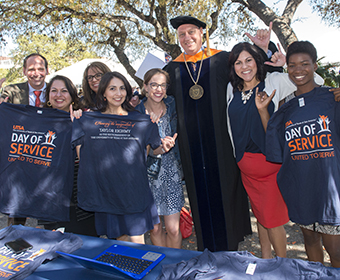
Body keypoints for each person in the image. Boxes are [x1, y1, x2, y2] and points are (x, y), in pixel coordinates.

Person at [164, 15, 280, 251]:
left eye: (191, 32)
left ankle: (232, 246)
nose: (187, 38)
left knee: (227, 193)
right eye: (181, 34)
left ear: (201, 33)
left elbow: (255, 71)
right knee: (199, 196)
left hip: (223, 145)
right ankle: (207, 248)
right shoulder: (172, 69)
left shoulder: (221, 60)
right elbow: (157, 98)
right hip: (191, 147)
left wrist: (267, 48)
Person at [72, 72, 177, 244]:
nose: (118, 93)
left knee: (137, 243)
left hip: (134, 192)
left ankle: (141, 271)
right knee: (119, 241)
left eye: (122, 88)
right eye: (112, 88)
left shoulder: (140, 120)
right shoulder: (88, 120)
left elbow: (149, 151)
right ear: (103, 93)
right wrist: (79, 119)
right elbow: (82, 156)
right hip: (106, 191)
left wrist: (163, 147)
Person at [266, 41, 340, 267]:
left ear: (315, 66)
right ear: (286, 68)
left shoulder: (333, 98)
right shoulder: (286, 107)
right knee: (310, 239)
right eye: (292, 65)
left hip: (330, 190)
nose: (298, 70)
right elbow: (274, 144)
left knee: (335, 250)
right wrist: (262, 111)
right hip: (302, 188)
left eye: (304, 64)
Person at [226, 42, 294, 258]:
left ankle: (282, 267)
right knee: (260, 217)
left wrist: (283, 66)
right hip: (246, 170)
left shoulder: (272, 82)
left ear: (257, 61)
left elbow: (315, 80)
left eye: (249, 60)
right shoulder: (232, 89)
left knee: (272, 221)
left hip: (269, 168)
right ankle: (265, 260)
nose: (244, 66)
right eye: (238, 62)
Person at [37, 75, 97, 236]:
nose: (59, 95)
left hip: (80, 199)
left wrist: (79, 125)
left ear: (72, 95)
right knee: (55, 248)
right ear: (48, 95)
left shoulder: (83, 118)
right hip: (50, 198)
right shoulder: (39, 120)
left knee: (87, 245)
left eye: (64, 91)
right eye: (54, 91)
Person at [136, 69, 184, 249]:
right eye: (154, 85)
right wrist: (156, 146)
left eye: (163, 85)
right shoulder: (137, 112)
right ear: (145, 87)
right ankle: (162, 266)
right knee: (155, 230)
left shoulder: (172, 104)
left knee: (172, 229)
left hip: (171, 173)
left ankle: (176, 267)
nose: (158, 89)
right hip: (148, 177)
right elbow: (137, 150)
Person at [0, 53, 49, 226]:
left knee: (50, 216)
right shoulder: (12, 92)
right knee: (16, 216)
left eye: (40, 69)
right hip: (20, 162)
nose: (36, 73)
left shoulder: (56, 92)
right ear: (24, 71)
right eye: (31, 69)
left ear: (47, 70)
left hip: (47, 160)